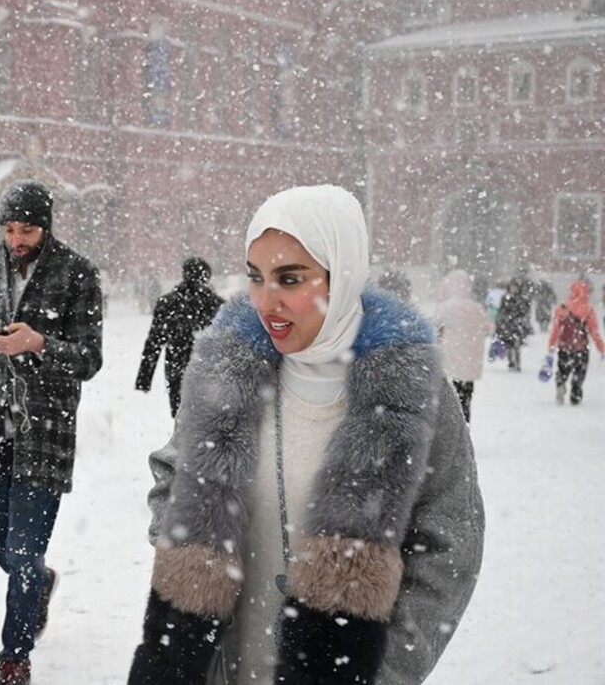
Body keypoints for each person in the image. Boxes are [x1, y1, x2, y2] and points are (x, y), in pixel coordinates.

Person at [128, 185, 484, 685]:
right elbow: (172, 475)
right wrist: (195, 563)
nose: (266, 301)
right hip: (218, 667)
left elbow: (451, 544)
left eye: (290, 278)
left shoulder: (412, 390)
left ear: (341, 276)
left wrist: (386, 668)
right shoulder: (228, 370)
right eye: (256, 277)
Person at [0, 179, 103, 685]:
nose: (17, 239)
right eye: (9, 228)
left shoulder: (77, 273)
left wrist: (39, 344)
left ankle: (15, 658)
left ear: (46, 226)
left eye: (27, 229)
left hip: (46, 432)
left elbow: (90, 359)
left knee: (27, 550)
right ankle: (38, 584)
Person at [135, 257, 225, 416]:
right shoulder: (217, 305)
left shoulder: (167, 303)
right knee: (208, 423)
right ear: (206, 277)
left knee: (181, 419)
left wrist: (144, 378)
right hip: (210, 373)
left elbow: (154, 342)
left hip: (177, 369)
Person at [434, 269, 494, 423]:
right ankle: (465, 430)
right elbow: (489, 328)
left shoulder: (445, 308)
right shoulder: (476, 308)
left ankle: (453, 435)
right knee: (466, 399)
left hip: (450, 364)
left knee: (450, 402)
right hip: (470, 364)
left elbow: (433, 329)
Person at [545, 278, 605, 406]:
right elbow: (594, 331)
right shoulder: (588, 309)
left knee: (563, 369)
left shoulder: (563, 308)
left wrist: (551, 344)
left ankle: (561, 383)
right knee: (580, 372)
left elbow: (556, 330)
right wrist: (601, 347)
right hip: (581, 347)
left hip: (564, 346)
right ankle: (575, 394)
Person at [494, 278, 532, 371]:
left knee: (516, 344)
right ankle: (511, 362)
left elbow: (525, 311)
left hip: (517, 324)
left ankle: (517, 363)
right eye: (512, 286)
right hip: (508, 325)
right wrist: (501, 321)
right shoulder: (505, 298)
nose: (513, 288)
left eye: (515, 287)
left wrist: (521, 320)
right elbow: (501, 310)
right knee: (509, 345)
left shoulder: (522, 299)